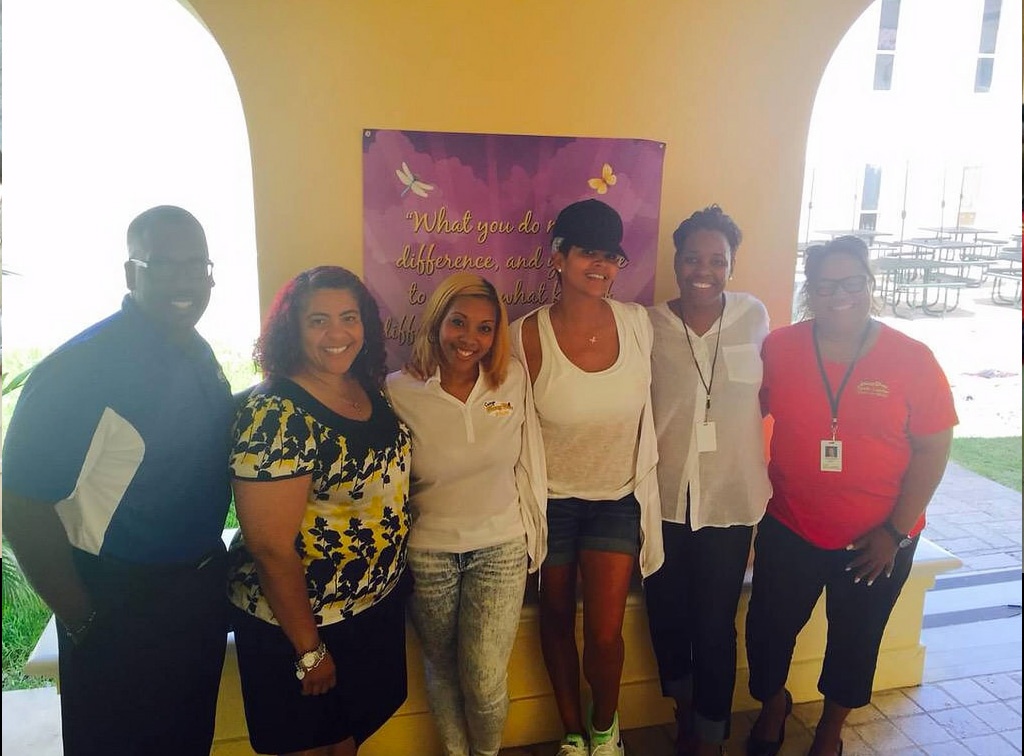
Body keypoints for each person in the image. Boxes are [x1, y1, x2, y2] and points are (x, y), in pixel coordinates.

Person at [2, 205, 233, 756]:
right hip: (117, 604)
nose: (184, 281)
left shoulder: (195, 350)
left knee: (187, 742)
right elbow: (19, 501)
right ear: (131, 273)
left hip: (194, 597)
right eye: (164, 265)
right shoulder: (82, 369)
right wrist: (82, 619)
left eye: (196, 265)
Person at [745, 236, 958, 756]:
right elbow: (744, 411)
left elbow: (934, 448)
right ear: (810, 292)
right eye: (824, 286)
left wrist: (894, 532)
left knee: (856, 640)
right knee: (767, 631)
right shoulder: (780, 348)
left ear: (869, 283)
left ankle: (830, 731)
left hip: (878, 538)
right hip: (791, 524)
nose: (839, 295)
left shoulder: (912, 358)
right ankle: (773, 705)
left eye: (851, 283)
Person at [227, 265, 412, 756]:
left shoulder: (364, 386)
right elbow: (269, 548)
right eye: (318, 321)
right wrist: (309, 650)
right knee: (314, 746)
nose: (337, 334)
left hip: (367, 609)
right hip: (302, 623)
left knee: (347, 739)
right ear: (292, 328)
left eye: (349, 317)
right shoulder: (275, 415)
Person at [510, 198, 663, 756]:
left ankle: (604, 727)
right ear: (558, 257)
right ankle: (572, 731)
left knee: (604, 630)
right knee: (553, 617)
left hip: (617, 498)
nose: (600, 266)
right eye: (587, 253)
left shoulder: (638, 324)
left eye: (611, 256)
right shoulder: (525, 336)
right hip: (550, 501)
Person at [385, 272, 546, 756]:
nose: (469, 338)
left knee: (483, 674)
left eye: (484, 328)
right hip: (428, 551)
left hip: (500, 545)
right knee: (441, 667)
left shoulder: (512, 379)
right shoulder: (398, 390)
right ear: (437, 321)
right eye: (458, 322)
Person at [643, 206, 771, 756]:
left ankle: (711, 734)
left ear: (731, 265)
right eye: (693, 258)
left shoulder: (753, 316)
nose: (704, 270)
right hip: (663, 499)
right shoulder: (648, 325)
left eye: (717, 260)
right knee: (667, 617)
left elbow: (768, 390)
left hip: (729, 500)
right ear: (675, 262)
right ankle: (684, 713)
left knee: (716, 624)